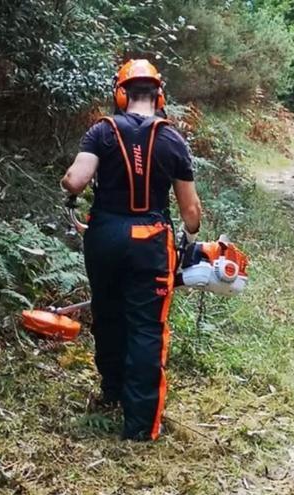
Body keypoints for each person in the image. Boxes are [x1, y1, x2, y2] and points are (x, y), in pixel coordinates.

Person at [60, 59, 202, 441]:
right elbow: (190, 214)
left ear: (120, 95)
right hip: (150, 242)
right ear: (160, 97)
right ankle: (139, 426)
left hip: (104, 236)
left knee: (107, 313)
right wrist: (191, 234)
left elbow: (75, 180)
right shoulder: (172, 139)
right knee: (146, 328)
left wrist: (68, 183)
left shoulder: (101, 131)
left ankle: (112, 392)